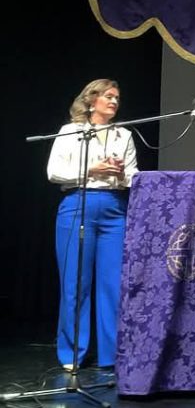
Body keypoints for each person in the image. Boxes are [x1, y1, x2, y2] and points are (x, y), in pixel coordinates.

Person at [47, 79, 138, 371]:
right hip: (78, 204)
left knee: (113, 284)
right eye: (109, 96)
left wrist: (122, 174)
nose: (114, 102)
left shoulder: (124, 135)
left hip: (114, 208)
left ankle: (113, 355)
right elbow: (54, 172)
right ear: (91, 100)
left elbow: (134, 176)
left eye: (117, 98)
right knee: (75, 282)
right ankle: (72, 354)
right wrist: (91, 169)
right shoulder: (71, 132)